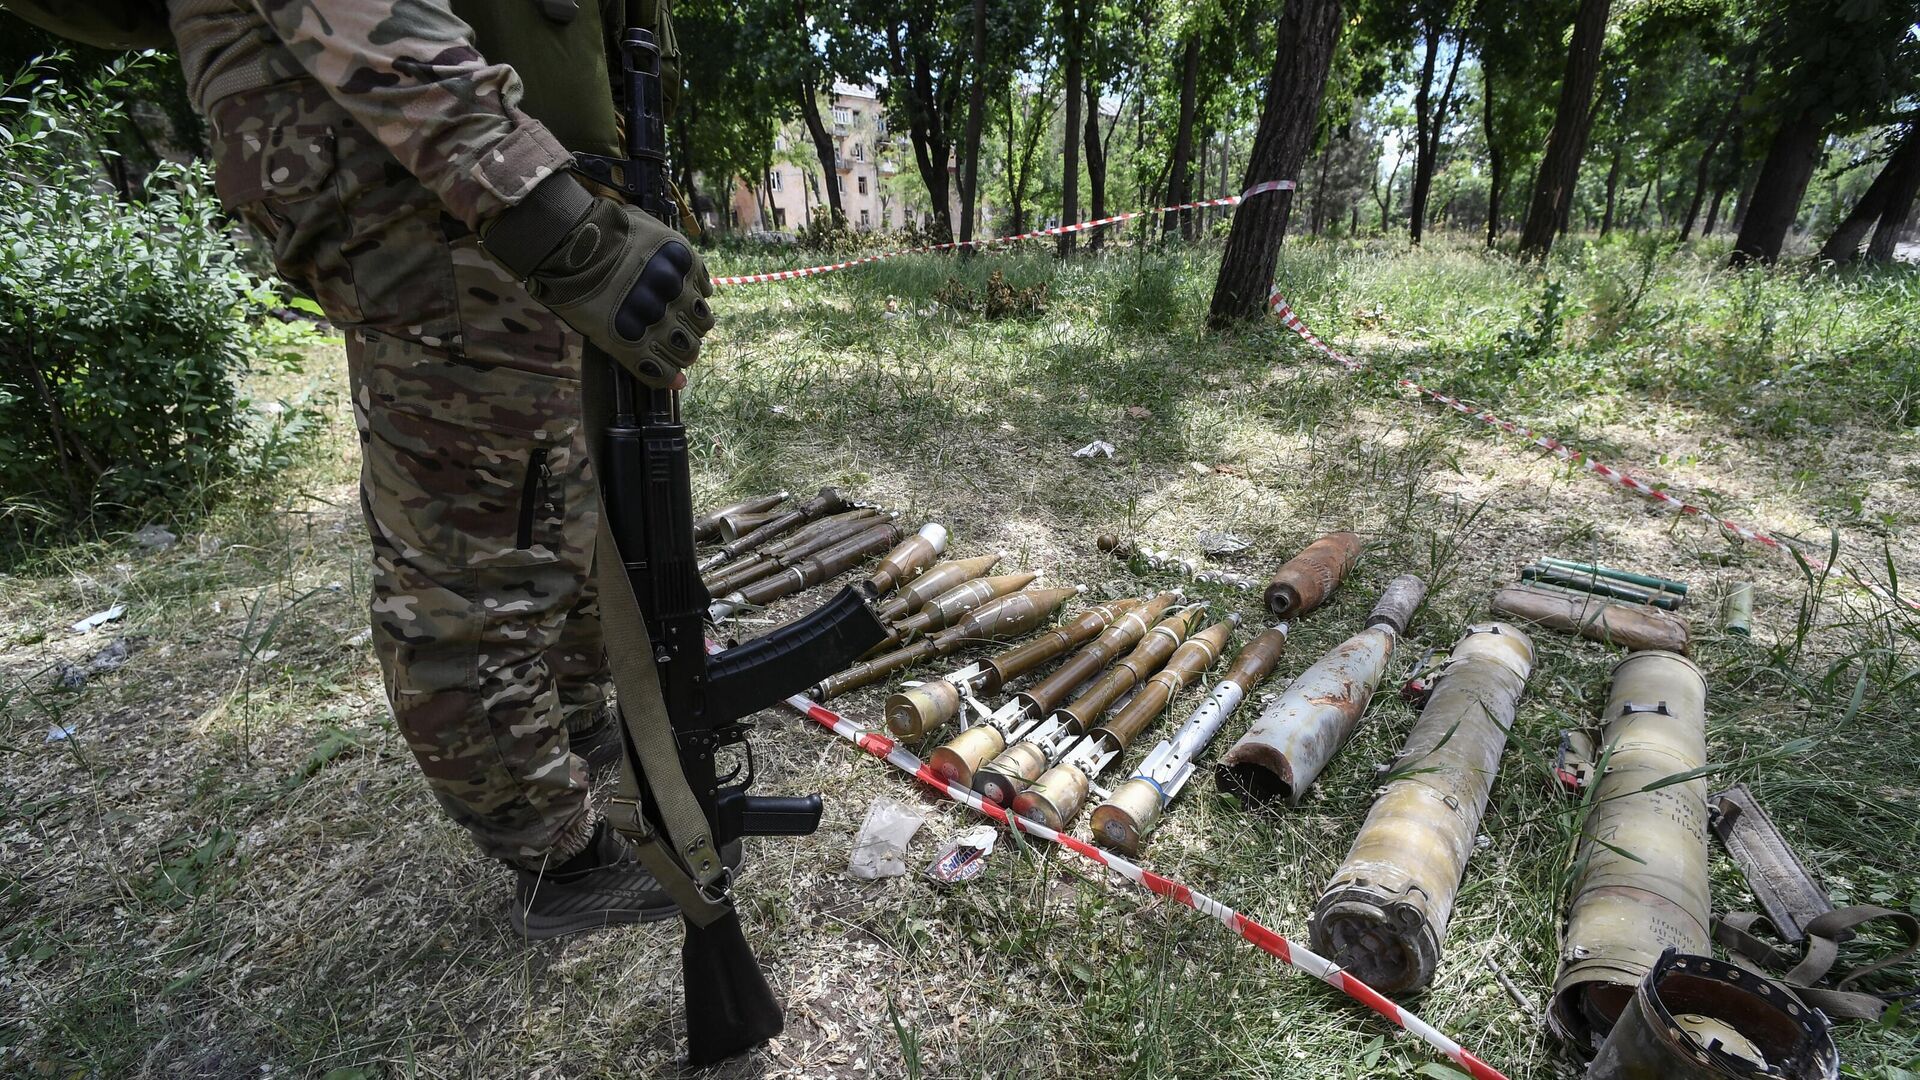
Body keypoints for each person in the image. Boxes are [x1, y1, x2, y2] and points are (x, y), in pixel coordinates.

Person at [163, 0, 715, 938]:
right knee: (476, 558)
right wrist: (545, 213)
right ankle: (559, 853)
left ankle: (578, 733)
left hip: (491, 175)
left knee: (560, 500)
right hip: (433, 176)